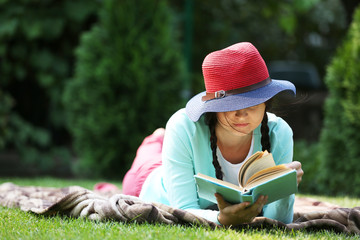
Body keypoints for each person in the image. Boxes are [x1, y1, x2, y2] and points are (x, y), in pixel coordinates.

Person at [122, 42, 304, 226]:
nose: (241, 114)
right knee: (148, 155)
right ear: (213, 108)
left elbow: (277, 222)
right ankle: (156, 139)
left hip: (180, 153)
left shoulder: (278, 132)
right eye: (231, 105)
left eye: (252, 103)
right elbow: (183, 208)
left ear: (267, 102)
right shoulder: (183, 126)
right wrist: (221, 219)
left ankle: (160, 139)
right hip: (148, 178)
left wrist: (285, 189)